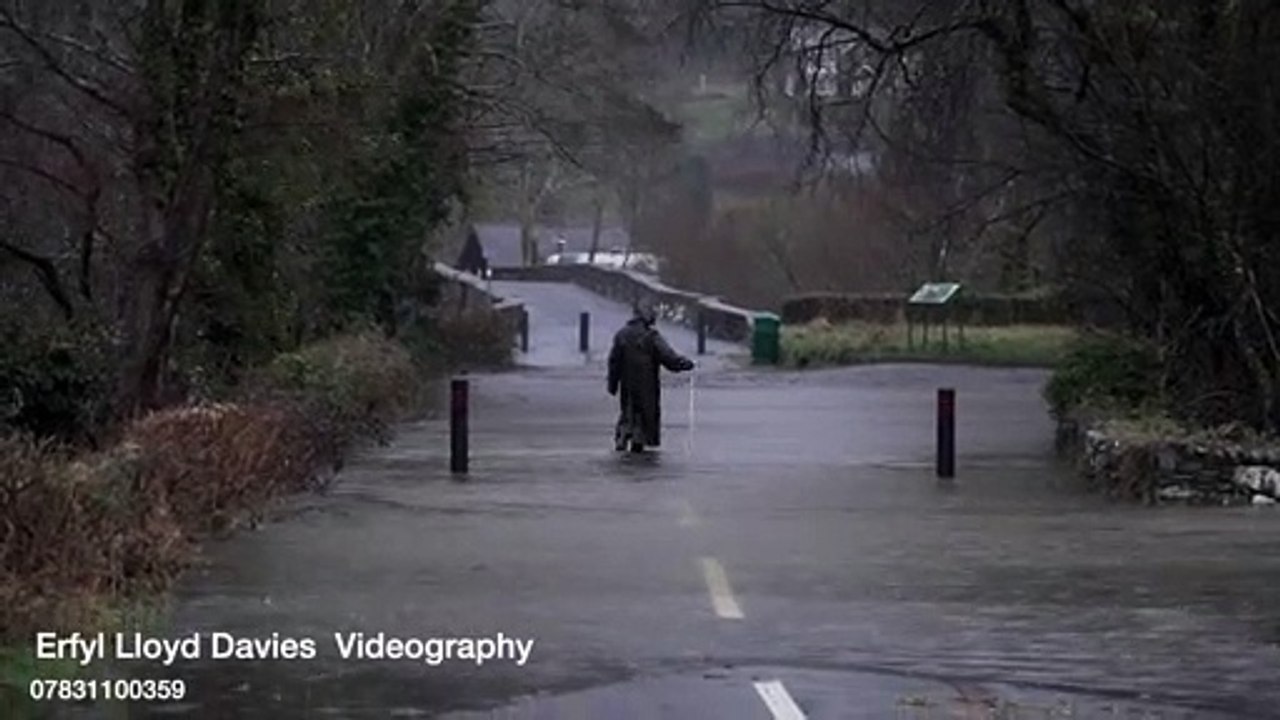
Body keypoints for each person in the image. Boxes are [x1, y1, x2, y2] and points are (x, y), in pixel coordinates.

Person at [607, 302, 695, 452]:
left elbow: (614, 361)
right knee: (644, 413)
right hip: (647, 382)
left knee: (628, 410)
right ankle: (638, 440)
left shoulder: (622, 334)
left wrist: (613, 383)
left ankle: (623, 434)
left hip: (627, 382)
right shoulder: (651, 336)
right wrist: (683, 364)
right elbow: (668, 356)